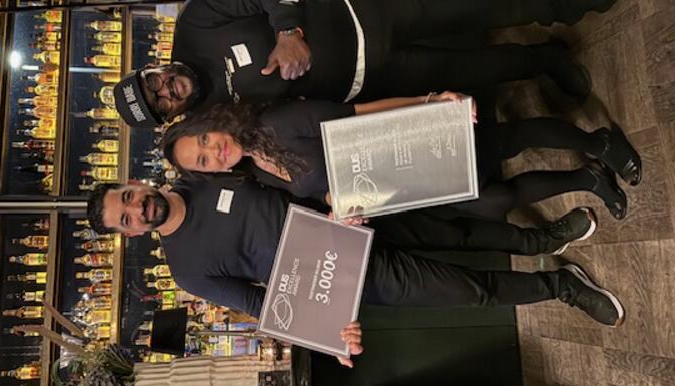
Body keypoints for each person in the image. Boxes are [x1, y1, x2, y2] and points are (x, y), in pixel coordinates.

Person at [87, 177, 625, 368]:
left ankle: (547, 238)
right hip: (347, 273)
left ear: (135, 182)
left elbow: (276, 173)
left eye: (128, 198)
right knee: (472, 291)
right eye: (126, 219)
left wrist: (331, 200)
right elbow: (263, 304)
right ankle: (562, 286)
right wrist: (327, 336)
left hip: (356, 212)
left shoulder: (198, 175)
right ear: (130, 234)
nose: (137, 209)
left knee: (460, 229)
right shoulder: (186, 270)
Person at [111, 0, 623, 127]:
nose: (165, 88)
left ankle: (565, 4)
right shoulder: (209, 124)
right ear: (169, 116)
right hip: (369, 79)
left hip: (360, 12)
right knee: (473, 69)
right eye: (159, 102)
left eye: (151, 80)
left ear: (151, 66)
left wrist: (288, 33)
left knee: (473, 8)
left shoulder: (197, 21)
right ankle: (546, 60)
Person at [160, 94, 642, 220]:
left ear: (213, 125)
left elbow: (361, 112)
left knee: (509, 140)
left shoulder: (275, 123)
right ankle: (589, 179)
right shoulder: (259, 175)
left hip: (412, 145)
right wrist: (339, 207)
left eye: (203, 140)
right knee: (498, 198)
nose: (212, 152)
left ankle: (599, 144)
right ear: (212, 173)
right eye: (203, 161)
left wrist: (431, 103)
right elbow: (326, 186)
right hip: (406, 188)